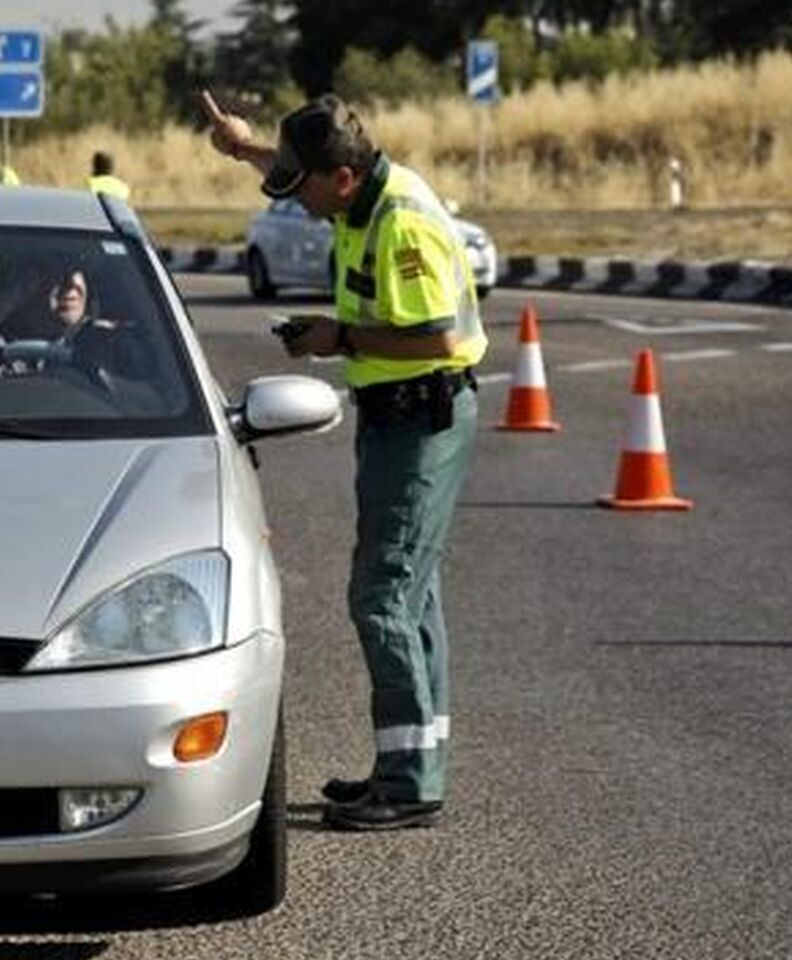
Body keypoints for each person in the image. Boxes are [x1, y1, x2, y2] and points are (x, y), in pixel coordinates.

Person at [201, 90, 487, 831]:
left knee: (383, 597)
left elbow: (435, 338)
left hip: (421, 413)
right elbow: (297, 170)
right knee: (412, 596)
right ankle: (412, 764)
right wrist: (246, 149)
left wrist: (339, 340)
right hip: (397, 414)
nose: (297, 206)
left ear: (345, 179)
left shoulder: (402, 226)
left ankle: (407, 783)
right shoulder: (359, 194)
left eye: (305, 190)